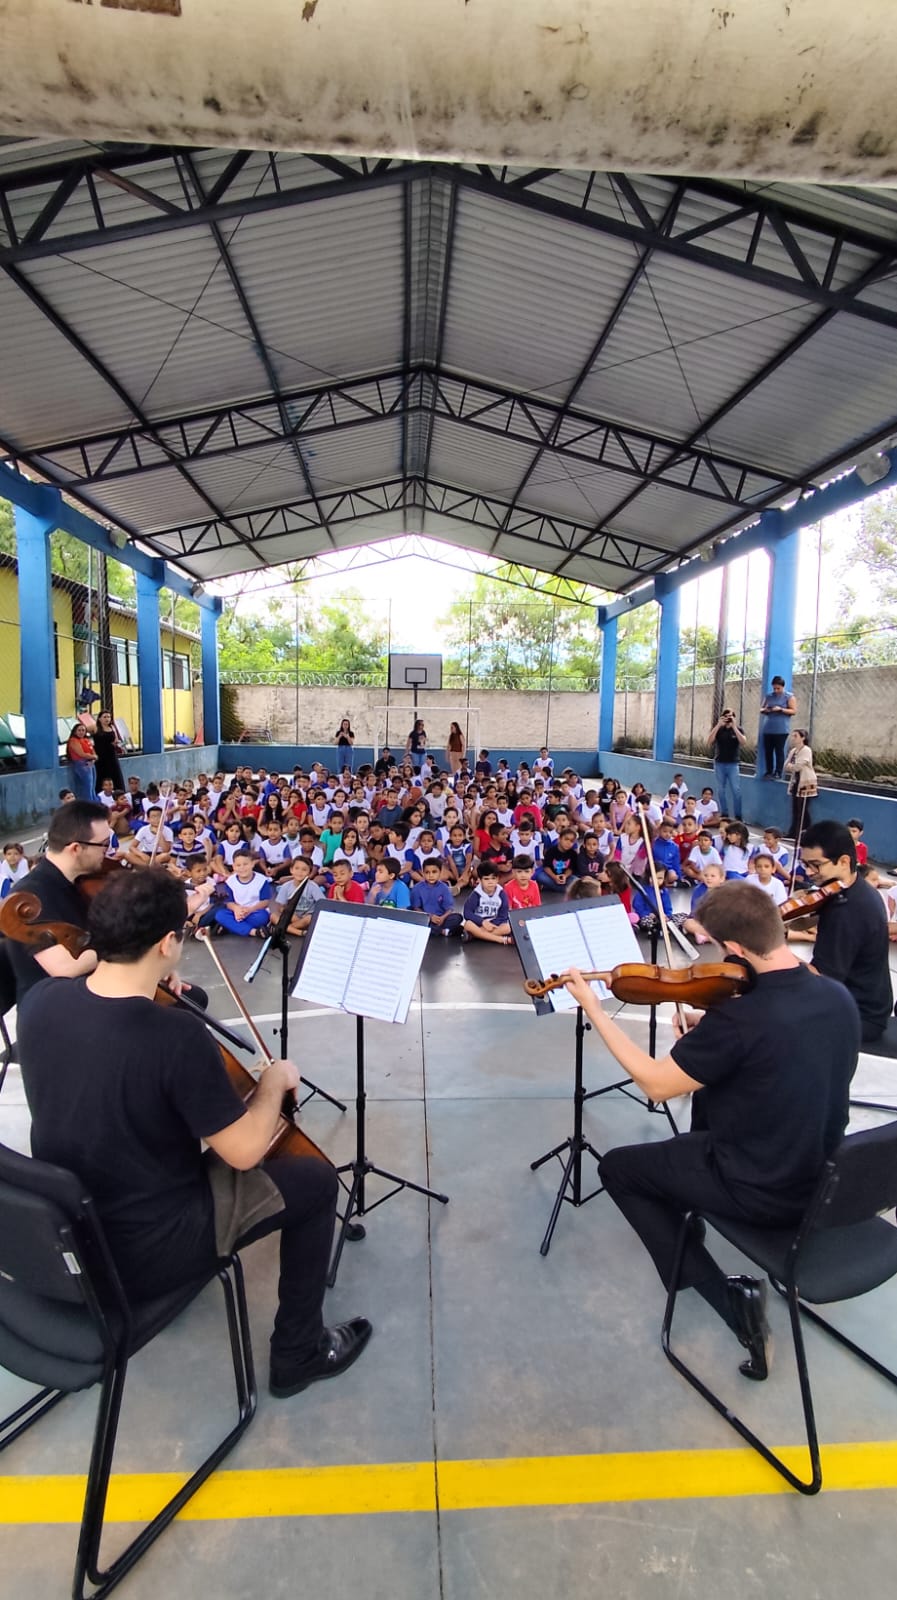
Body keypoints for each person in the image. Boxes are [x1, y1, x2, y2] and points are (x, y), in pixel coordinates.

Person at [16, 869, 371, 1399]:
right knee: (315, 1181)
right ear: (166, 944)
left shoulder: (42, 1001)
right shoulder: (175, 1036)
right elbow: (245, 1151)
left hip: (64, 1233)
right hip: (144, 1251)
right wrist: (273, 1084)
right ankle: (299, 1352)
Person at [562, 881, 860, 1380]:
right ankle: (690, 1216)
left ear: (737, 951)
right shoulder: (836, 996)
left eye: (718, 948)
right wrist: (709, 1028)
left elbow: (657, 1085)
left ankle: (731, 1302)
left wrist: (594, 1009)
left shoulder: (741, 1020)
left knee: (619, 1169)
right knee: (686, 1139)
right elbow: (781, 1056)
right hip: (823, 1180)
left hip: (761, 1190)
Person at [790, 820, 893, 1044]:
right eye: (805, 864)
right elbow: (804, 921)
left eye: (815, 865)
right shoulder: (853, 889)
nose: (808, 873)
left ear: (844, 861)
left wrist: (769, 949)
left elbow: (821, 980)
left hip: (858, 1015)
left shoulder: (848, 911)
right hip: (868, 1002)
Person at [215, 849, 275, 936]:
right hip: (237, 912)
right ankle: (253, 932)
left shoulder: (261, 880)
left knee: (262, 917)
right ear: (233, 867)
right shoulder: (230, 881)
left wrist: (250, 910)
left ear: (252, 864)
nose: (242, 868)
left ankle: (232, 927)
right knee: (220, 915)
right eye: (238, 865)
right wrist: (236, 909)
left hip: (255, 911)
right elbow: (229, 902)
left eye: (245, 864)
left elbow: (265, 901)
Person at [708, 708, 746, 820]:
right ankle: (724, 813)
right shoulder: (719, 730)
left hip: (733, 764)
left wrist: (734, 726)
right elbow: (709, 741)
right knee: (720, 789)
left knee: (736, 790)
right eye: (726, 716)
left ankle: (738, 815)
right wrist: (718, 725)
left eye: (731, 716)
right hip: (719, 763)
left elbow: (743, 742)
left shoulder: (738, 729)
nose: (728, 718)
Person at [410, 859, 463, 936]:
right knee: (414, 920)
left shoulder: (444, 888)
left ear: (440, 872)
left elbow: (449, 908)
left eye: (434, 872)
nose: (431, 875)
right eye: (427, 872)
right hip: (426, 917)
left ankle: (435, 930)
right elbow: (416, 908)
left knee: (458, 917)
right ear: (423, 873)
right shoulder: (417, 888)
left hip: (441, 918)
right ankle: (443, 931)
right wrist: (430, 917)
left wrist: (443, 918)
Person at [759, 675, 796, 779]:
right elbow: (762, 708)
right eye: (774, 688)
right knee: (768, 751)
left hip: (781, 729)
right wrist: (767, 710)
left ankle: (778, 771)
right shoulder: (769, 696)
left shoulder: (789, 697)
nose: (776, 690)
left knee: (779, 750)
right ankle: (768, 771)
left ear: (783, 687)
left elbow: (793, 711)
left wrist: (781, 709)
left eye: (778, 688)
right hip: (769, 728)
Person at [462, 867, 512, 944]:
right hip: (478, 924)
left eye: (493, 878)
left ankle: (475, 936)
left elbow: (503, 916)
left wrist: (491, 924)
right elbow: (467, 912)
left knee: (508, 927)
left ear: (498, 879)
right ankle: (501, 939)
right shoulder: (476, 894)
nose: (490, 882)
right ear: (479, 880)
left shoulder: (501, 894)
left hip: (494, 925)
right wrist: (482, 922)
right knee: (468, 924)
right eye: (486, 879)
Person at [783, 727, 817, 839]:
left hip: (805, 783)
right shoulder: (793, 751)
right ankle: (793, 832)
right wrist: (790, 766)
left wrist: (791, 766)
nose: (793, 738)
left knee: (802, 810)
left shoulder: (806, 750)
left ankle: (804, 832)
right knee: (795, 809)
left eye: (796, 736)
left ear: (803, 738)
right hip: (796, 782)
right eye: (793, 736)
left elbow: (798, 766)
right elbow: (786, 765)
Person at [93, 708, 125, 792]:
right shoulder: (95, 728)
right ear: (99, 718)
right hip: (100, 755)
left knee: (115, 773)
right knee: (101, 774)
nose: (107, 719)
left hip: (111, 754)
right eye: (104, 717)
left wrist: (116, 743)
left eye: (108, 717)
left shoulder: (112, 728)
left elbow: (116, 739)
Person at [66, 722, 98, 802]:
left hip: (90, 764)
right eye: (79, 730)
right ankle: (88, 806)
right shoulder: (73, 740)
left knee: (92, 788)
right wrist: (93, 757)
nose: (81, 732)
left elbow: (93, 752)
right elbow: (81, 754)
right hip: (81, 764)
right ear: (75, 731)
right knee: (87, 788)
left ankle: (94, 805)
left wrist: (93, 759)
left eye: (83, 730)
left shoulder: (86, 740)